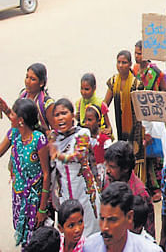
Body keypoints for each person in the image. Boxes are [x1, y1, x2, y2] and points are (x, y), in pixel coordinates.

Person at [0, 98, 50, 248]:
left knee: (35, 239)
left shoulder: (38, 140)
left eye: (13, 114)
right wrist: (6, 109)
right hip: (19, 196)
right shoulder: (14, 134)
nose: (10, 117)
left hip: (35, 199)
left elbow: (46, 174)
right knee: (22, 235)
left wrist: (42, 209)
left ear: (21, 120)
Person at [49, 98, 100, 237]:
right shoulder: (54, 138)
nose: (60, 118)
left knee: (90, 234)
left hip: (85, 194)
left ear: (73, 115)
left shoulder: (83, 133)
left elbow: (78, 155)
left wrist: (58, 155)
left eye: (64, 113)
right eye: (57, 115)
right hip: (65, 195)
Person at [83, 182, 162, 252]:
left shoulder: (149, 249)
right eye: (102, 219)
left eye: (112, 220)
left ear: (129, 217)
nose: (104, 227)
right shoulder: (89, 246)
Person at [104, 50, 145, 179]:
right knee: (121, 153)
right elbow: (105, 105)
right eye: (119, 62)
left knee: (136, 157)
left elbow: (142, 110)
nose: (121, 65)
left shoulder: (136, 84)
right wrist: (107, 125)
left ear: (130, 64)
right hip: (120, 125)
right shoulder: (113, 81)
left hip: (135, 128)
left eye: (124, 63)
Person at [104, 141, 156, 238]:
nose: (107, 170)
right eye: (106, 165)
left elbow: (149, 229)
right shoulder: (108, 181)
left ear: (125, 168)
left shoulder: (139, 193)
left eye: (112, 167)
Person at [18, 63, 55, 133]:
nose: (27, 82)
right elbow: (16, 121)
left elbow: (55, 130)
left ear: (41, 83)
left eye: (32, 79)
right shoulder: (23, 96)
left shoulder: (47, 103)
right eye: (27, 77)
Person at [84, 104, 111, 191]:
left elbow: (109, 161)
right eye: (85, 120)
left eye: (90, 120)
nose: (87, 123)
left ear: (98, 121)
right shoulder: (83, 139)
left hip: (102, 175)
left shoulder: (105, 140)